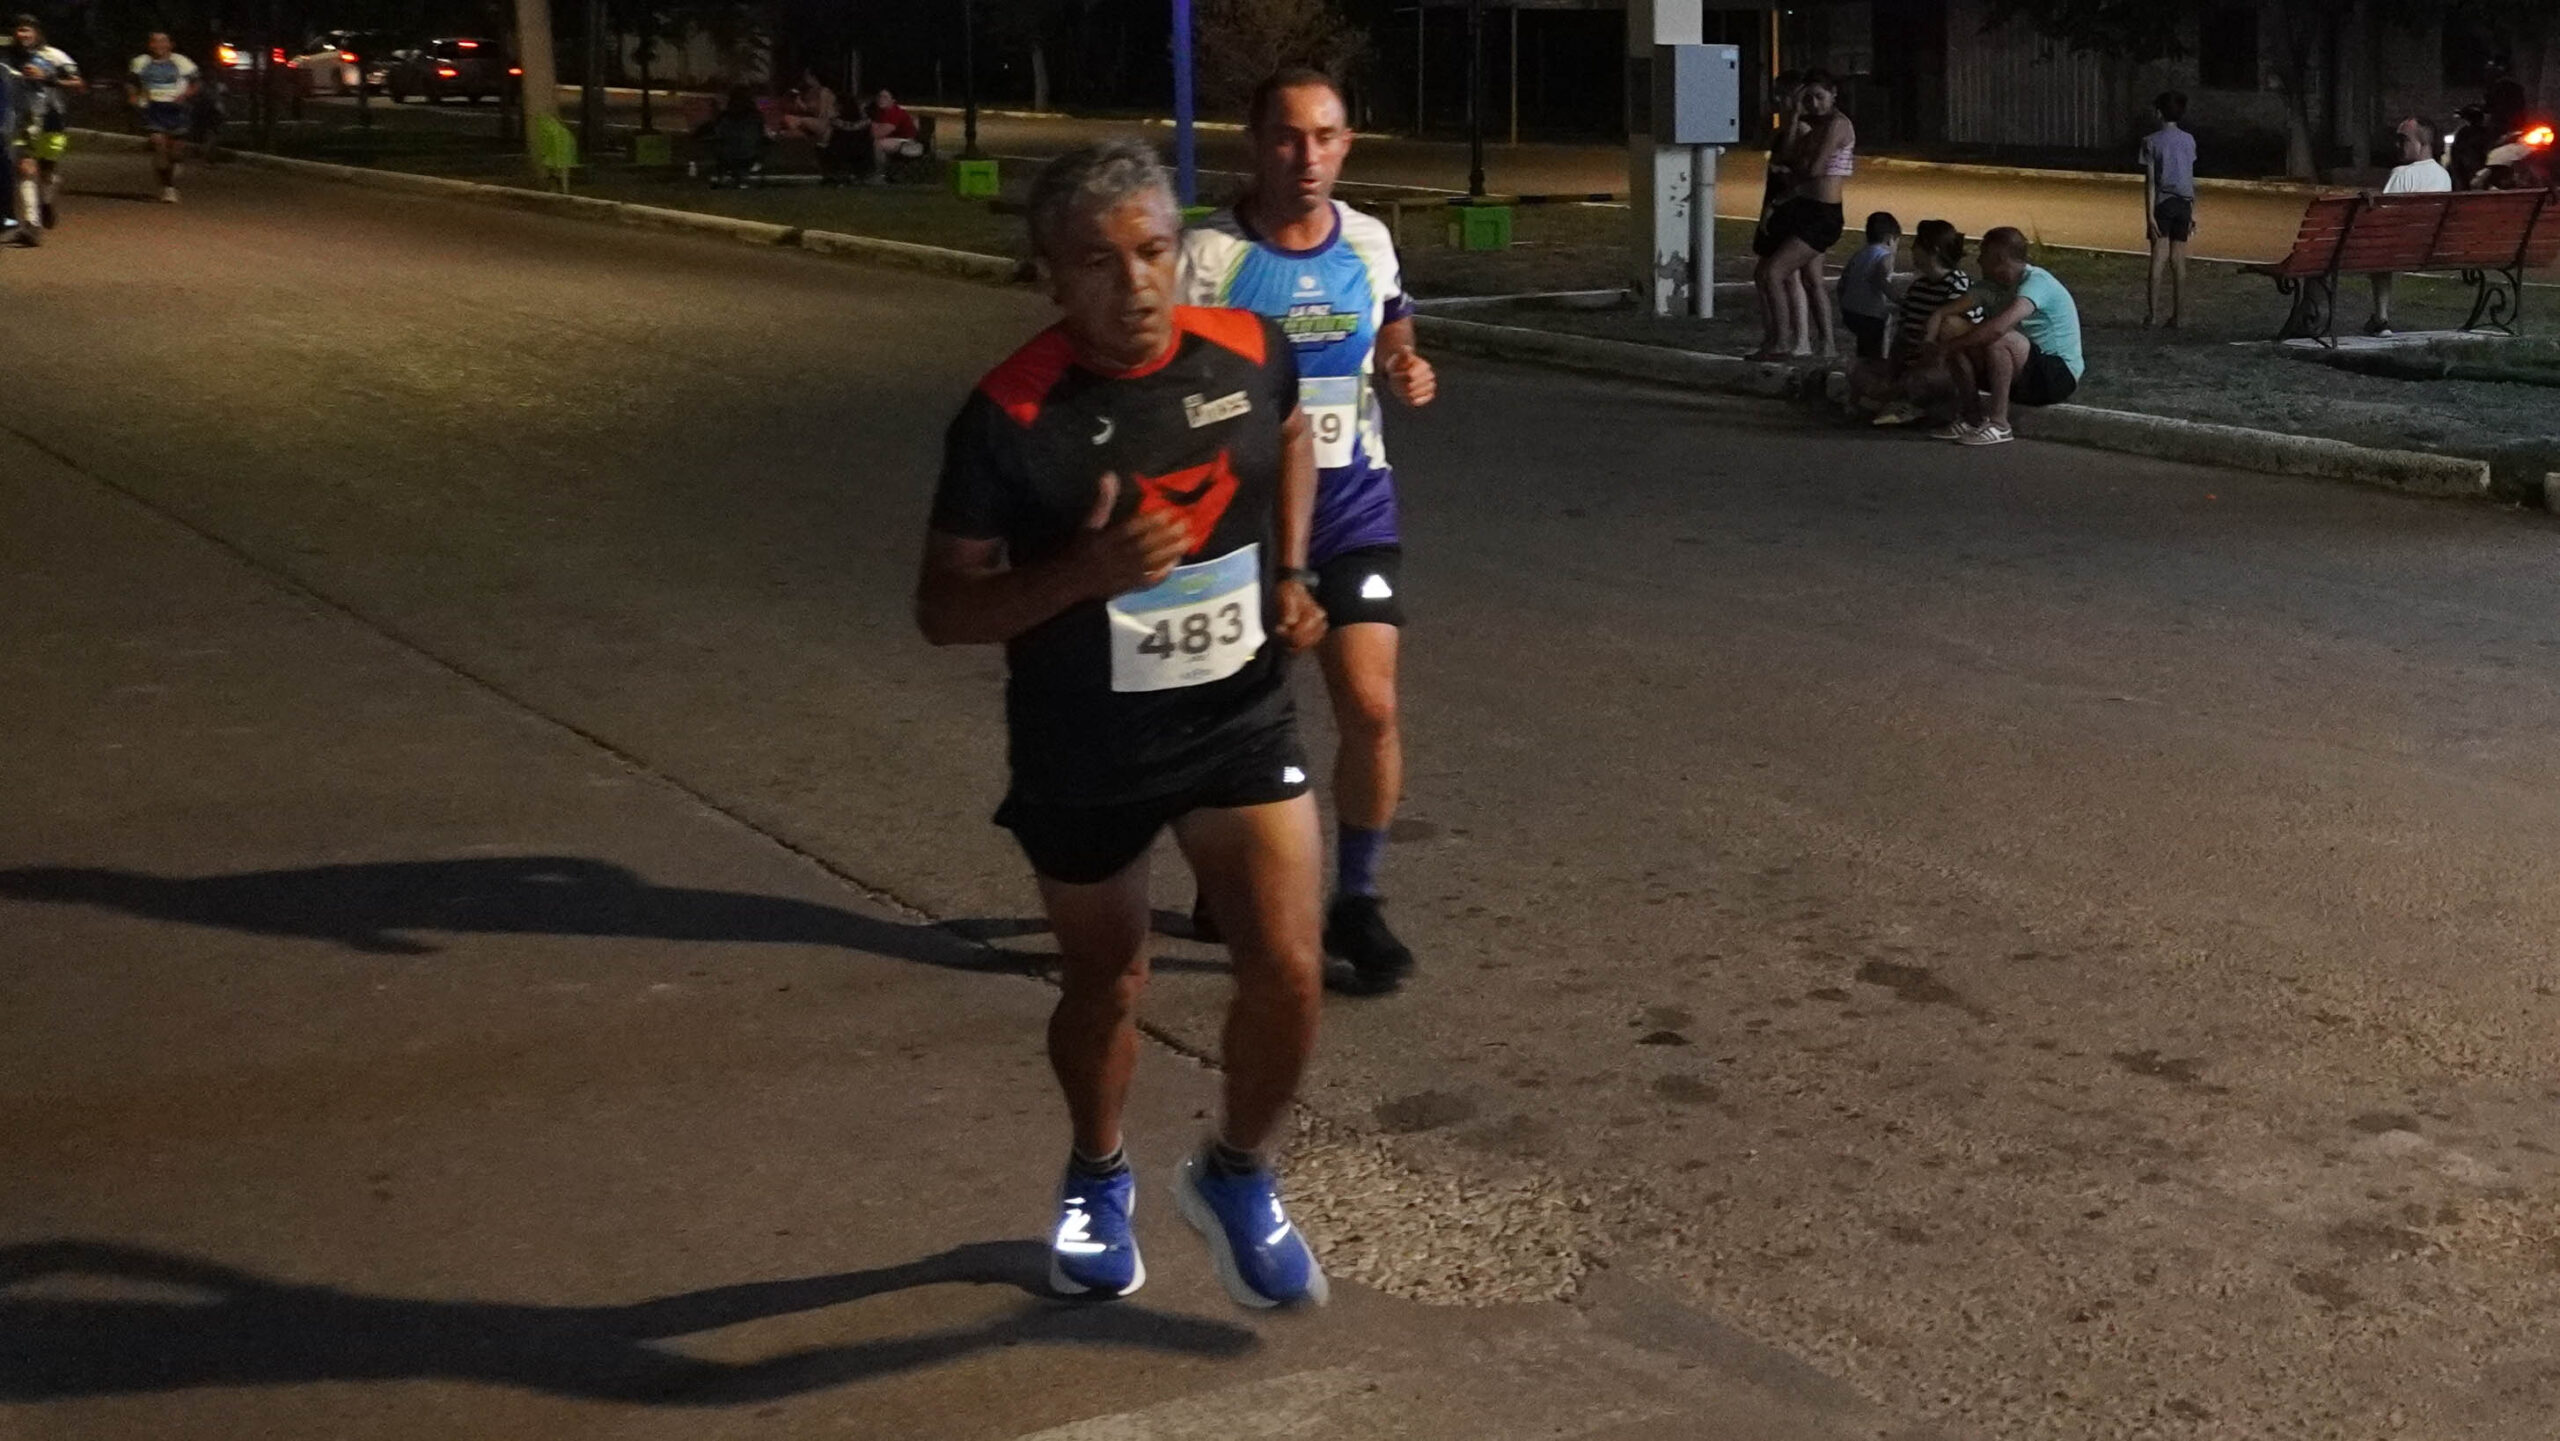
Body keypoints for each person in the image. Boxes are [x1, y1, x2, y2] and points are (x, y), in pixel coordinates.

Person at [916, 139, 1333, 1309]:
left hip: (1238, 719)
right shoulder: (1007, 416)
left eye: (1153, 251)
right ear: (1051, 274)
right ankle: (1097, 1173)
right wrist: (1085, 572)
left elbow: (1288, 432)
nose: (1136, 283)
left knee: (1290, 968)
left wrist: (1293, 568)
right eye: (1098, 263)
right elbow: (942, 609)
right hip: (1085, 745)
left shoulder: (1250, 348)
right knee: (1107, 982)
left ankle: (1235, 1174)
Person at [1177, 66, 1438, 997]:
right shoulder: (1207, 257)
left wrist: (1404, 366)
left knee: (1372, 706)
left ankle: (1357, 899)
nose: (1307, 156)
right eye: (1288, 137)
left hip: (1353, 505)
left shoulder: (1366, 240)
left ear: (1346, 144)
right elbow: (1169, 382)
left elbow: (1393, 325)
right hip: (1238, 525)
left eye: (1326, 137)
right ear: (1255, 143)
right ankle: (1222, 869)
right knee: (1235, 720)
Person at [1916, 226, 2082, 446]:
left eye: (1983, 254)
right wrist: (1929, 344)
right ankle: (1971, 417)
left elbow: (1999, 329)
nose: (1978, 261)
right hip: (2018, 370)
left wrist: (1947, 348)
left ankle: (2000, 424)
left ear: (1999, 258)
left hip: (2055, 376)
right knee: (1951, 327)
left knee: (1998, 337)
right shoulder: (1989, 287)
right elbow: (1942, 314)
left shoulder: (2036, 282)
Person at [1752, 67, 1854, 360]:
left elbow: (1814, 168)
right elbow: (1785, 156)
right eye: (1807, 98)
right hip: (1804, 207)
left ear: (1833, 94)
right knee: (1773, 273)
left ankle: (1785, 342)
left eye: (1819, 97)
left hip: (1823, 214)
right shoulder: (1815, 125)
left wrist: (1795, 171)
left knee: (1775, 273)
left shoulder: (1837, 125)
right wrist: (1795, 115)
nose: (1814, 104)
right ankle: (1787, 341)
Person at [1848, 218, 1976, 425]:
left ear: (1932, 250)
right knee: (1858, 368)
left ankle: (1899, 401)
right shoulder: (1918, 288)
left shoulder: (1958, 285)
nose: (1912, 250)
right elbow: (1903, 334)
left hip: (1940, 366)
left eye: (1917, 245)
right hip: (1910, 366)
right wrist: (1892, 369)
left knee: (1919, 380)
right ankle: (1898, 399)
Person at [2366, 116, 2450, 336]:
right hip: (2429, 249)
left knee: (2379, 252)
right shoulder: (2443, 176)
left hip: (2397, 248)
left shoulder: (2402, 174)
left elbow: (2382, 218)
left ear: (2423, 144)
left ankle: (2381, 318)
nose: (2397, 145)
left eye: (2403, 139)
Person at [1750, 72, 1812, 359]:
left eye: (1783, 95)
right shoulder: (1781, 132)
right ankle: (1775, 337)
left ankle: (1791, 340)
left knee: (1782, 275)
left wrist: (1795, 116)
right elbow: (1767, 150)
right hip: (1774, 206)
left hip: (1789, 209)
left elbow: (1796, 169)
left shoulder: (1803, 131)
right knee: (1768, 275)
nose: (1778, 100)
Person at [3, 16, 79, 230]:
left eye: (27, 30)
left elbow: (78, 83)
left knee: (48, 171)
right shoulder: (8, 57)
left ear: (37, 32)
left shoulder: (53, 56)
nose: (23, 35)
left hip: (51, 118)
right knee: (25, 166)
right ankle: (31, 223)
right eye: (19, 30)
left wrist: (47, 78)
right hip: (22, 119)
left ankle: (46, 202)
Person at [2138, 91, 2196, 328]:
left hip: (2164, 203)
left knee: (2158, 259)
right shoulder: (2189, 140)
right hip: (2184, 203)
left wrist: (2149, 215)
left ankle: (2152, 316)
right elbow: (2189, 177)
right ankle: (2179, 316)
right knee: (2179, 262)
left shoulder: (2151, 141)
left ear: (2159, 112)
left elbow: (2151, 181)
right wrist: (2193, 210)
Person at [125, 31, 198, 203]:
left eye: (163, 41)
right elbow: (131, 82)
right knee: (159, 145)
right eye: (155, 42)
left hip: (177, 109)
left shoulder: (182, 62)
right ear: (149, 45)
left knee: (176, 150)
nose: (159, 45)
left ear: (170, 44)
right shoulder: (140, 62)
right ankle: (168, 187)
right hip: (153, 108)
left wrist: (185, 95)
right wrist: (133, 95)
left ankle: (175, 165)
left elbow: (196, 83)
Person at [1836, 211, 1899, 362]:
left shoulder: (1859, 254)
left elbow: (1842, 282)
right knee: (1875, 352)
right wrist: (1899, 300)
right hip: (1870, 316)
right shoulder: (1885, 256)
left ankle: (1863, 365)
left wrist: (1845, 303)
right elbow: (1881, 279)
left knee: (1864, 347)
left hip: (1850, 311)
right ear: (1890, 239)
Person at [690, 84, 768, 188]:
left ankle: (724, 177)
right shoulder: (756, 118)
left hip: (729, 157)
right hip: (750, 158)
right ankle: (737, 179)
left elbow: (713, 132)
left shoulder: (725, 117)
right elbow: (761, 136)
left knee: (720, 148)